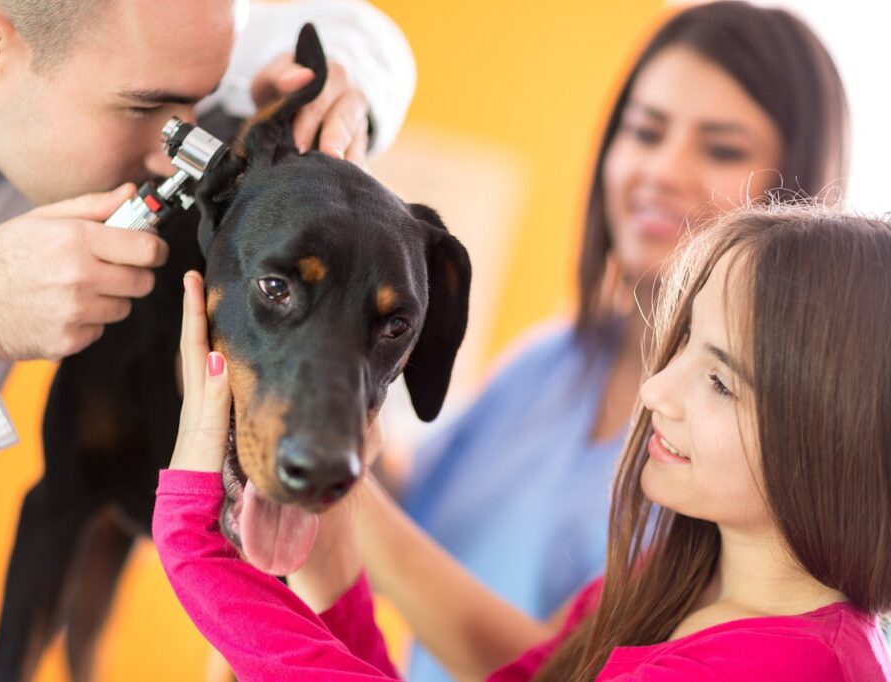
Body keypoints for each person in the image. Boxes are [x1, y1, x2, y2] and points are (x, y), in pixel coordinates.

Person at [154, 204, 891, 680]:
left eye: (721, 382)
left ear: (835, 432)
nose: (656, 390)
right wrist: (341, 574)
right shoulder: (678, 575)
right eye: (685, 344)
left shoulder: (784, 670)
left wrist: (195, 541)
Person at [0, 0, 415, 619]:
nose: (172, 153)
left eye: (195, 104)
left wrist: (342, 96)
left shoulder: (94, 47)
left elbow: (360, 33)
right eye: (145, 108)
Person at [395, 3, 847, 678]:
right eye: (644, 131)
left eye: (721, 149)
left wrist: (336, 491)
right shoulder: (550, 359)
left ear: (798, 203)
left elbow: (551, 667)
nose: (661, 170)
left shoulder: (742, 462)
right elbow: (413, 510)